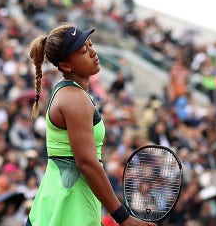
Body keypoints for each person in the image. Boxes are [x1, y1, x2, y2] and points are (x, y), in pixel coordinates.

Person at [26, 24, 153, 226]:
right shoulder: (74, 99)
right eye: (84, 51)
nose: (93, 52)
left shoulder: (71, 93)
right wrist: (123, 217)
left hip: (64, 203)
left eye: (91, 45)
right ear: (66, 66)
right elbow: (87, 163)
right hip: (68, 208)